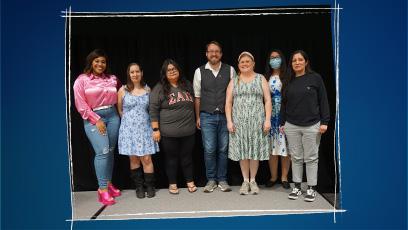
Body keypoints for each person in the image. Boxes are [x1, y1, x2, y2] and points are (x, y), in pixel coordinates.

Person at [73, 49, 121, 205]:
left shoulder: (112, 79)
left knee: (111, 152)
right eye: (97, 61)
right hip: (94, 117)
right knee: (102, 151)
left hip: (113, 116)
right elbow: (81, 105)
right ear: (91, 62)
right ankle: (102, 190)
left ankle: (108, 183)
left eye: (103, 61)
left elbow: (122, 95)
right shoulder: (82, 80)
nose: (100, 64)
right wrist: (96, 119)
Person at [280, 50, 330, 202]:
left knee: (311, 158)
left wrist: (325, 121)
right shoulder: (288, 80)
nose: (297, 62)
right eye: (294, 60)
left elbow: (323, 100)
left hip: (312, 125)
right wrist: (283, 123)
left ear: (306, 62)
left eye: (300, 60)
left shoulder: (315, 78)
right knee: (295, 157)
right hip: (291, 125)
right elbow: (283, 103)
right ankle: (297, 187)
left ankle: (311, 188)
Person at [225, 51, 272, 195]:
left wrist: (267, 119)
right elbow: (228, 102)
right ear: (238, 65)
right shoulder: (234, 81)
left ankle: (253, 181)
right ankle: (245, 181)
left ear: (253, 64)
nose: (245, 64)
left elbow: (268, 100)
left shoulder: (261, 78)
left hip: (257, 122)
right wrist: (229, 121)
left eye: (247, 61)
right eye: (242, 62)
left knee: (254, 152)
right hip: (239, 123)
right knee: (243, 152)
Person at [193, 41, 236, 193]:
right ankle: (211, 179)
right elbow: (197, 97)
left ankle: (222, 180)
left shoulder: (230, 70)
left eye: (217, 51)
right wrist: (198, 116)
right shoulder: (199, 71)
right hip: (207, 116)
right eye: (211, 51)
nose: (214, 54)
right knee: (209, 149)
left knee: (223, 149)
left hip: (225, 117)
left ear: (221, 54)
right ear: (206, 54)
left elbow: (233, 96)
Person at [149, 59, 197, 194]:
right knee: (171, 159)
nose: (172, 71)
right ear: (164, 73)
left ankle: (190, 181)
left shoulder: (187, 85)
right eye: (169, 70)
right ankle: (172, 183)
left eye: (174, 69)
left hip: (188, 131)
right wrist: (155, 129)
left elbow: (195, 103)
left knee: (187, 157)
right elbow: (153, 110)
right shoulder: (159, 88)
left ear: (179, 70)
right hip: (168, 133)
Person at [117, 63, 159, 199]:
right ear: (129, 74)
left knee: (147, 158)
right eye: (132, 72)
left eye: (137, 72)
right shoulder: (122, 90)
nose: (135, 74)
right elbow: (120, 110)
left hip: (145, 129)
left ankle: (150, 186)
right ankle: (139, 187)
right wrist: (129, 122)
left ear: (141, 73)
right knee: (134, 159)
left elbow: (152, 110)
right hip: (129, 130)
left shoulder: (148, 90)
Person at [264, 49, 291, 190]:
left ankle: (284, 177)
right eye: (272, 57)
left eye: (277, 57)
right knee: (272, 148)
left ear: (282, 59)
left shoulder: (288, 75)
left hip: (285, 114)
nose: (275, 59)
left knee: (285, 147)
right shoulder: (265, 77)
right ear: (269, 61)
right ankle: (273, 177)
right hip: (270, 116)